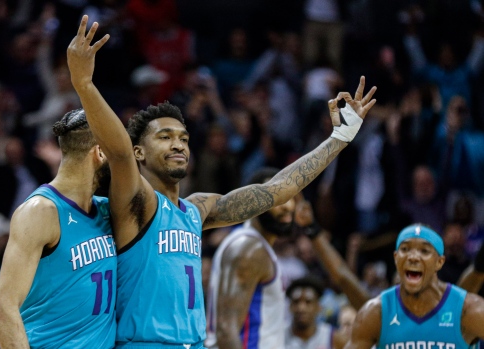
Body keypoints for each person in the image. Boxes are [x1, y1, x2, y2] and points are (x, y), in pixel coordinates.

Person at [66, 15, 376, 348]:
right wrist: (84, 84)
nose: (178, 144)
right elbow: (119, 152)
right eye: (165, 137)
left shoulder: (196, 210)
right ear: (139, 152)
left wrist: (340, 137)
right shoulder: (135, 202)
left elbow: (276, 190)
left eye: (184, 138)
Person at [0, 109, 116, 348]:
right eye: (116, 149)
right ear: (99, 152)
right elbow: (3, 309)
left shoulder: (107, 210)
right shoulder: (39, 211)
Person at [345, 224, 484, 348]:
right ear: (395, 258)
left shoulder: (470, 310)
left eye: (424, 251)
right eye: (405, 249)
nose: (413, 257)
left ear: (439, 262)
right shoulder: (375, 313)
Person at [204, 167, 293, 349]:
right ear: (255, 203)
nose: (287, 206)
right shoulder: (250, 249)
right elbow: (226, 331)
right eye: (278, 198)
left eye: (291, 197)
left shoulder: (252, 244)